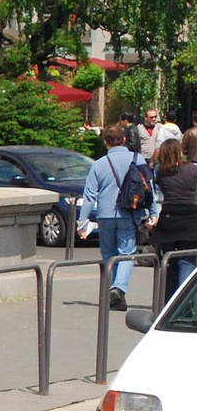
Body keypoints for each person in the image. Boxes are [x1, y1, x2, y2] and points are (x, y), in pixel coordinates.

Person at [80, 124, 149, 311]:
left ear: (106, 142)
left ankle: (112, 292)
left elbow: (89, 195)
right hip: (129, 213)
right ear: (124, 139)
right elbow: (148, 186)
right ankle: (118, 289)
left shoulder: (99, 164)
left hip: (105, 214)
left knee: (109, 253)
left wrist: (82, 221)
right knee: (127, 253)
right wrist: (153, 212)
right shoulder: (137, 158)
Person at [151, 130, 197, 303]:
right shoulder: (192, 170)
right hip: (190, 219)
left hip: (169, 219)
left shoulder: (161, 174)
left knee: (169, 261)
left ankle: (168, 301)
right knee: (187, 260)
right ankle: (184, 302)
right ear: (180, 152)